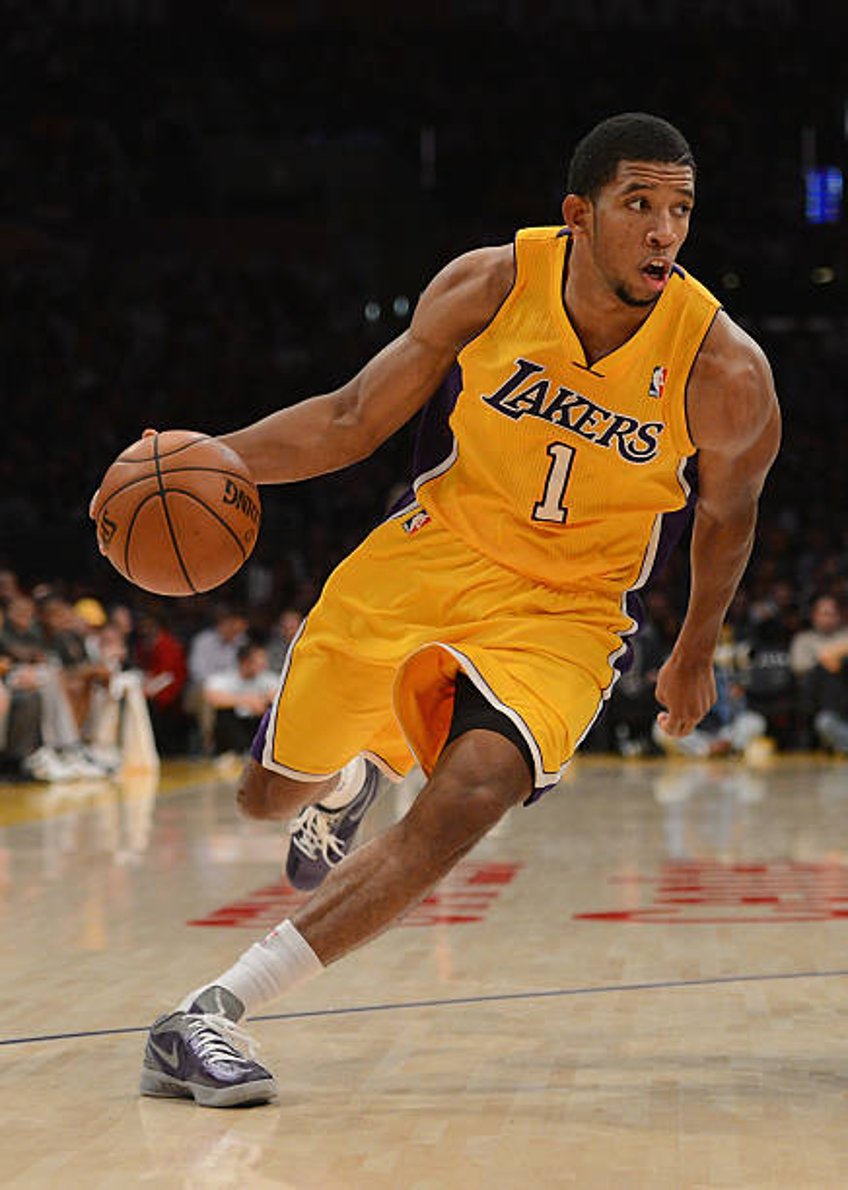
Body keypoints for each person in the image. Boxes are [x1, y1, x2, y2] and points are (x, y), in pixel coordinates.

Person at [112, 113, 780, 1107]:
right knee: (266, 798)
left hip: (568, 606)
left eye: (677, 210)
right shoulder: (491, 284)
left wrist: (693, 647)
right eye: (637, 205)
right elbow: (349, 420)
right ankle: (342, 780)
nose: (661, 232)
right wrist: (201, 459)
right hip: (429, 555)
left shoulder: (723, 369)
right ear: (577, 213)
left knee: (470, 792)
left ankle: (209, 1011)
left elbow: (726, 519)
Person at [204, 641, 278, 758]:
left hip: (256, 724)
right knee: (223, 713)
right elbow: (213, 697)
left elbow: (276, 696)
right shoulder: (225, 677)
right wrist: (248, 701)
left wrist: (261, 702)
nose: (264, 663)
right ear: (245, 662)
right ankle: (231, 752)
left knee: (271, 713)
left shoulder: (268, 678)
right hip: (234, 725)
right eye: (259, 660)